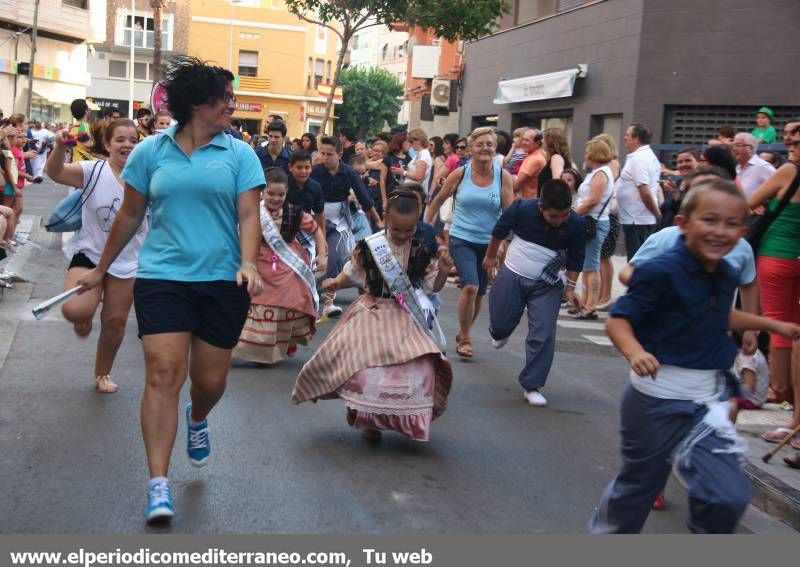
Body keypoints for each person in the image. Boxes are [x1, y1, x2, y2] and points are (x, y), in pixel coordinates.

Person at [75, 57, 266, 524]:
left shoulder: (239, 154)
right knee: (163, 371)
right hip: (163, 276)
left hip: (224, 280)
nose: (232, 106)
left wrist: (247, 262)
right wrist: (101, 269)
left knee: (210, 382)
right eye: (225, 98)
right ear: (199, 102)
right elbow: (129, 215)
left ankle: (197, 417)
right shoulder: (151, 152)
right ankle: (158, 483)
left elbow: (248, 215)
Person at [589, 178, 800, 534]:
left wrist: (770, 325)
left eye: (731, 224)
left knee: (728, 495)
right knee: (637, 490)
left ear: (742, 231)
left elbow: (718, 316)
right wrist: (635, 351)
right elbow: (620, 320)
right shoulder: (659, 271)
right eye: (710, 220)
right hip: (655, 401)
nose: (720, 232)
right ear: (684, 224)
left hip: (709, 400)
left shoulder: (727, 271)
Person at [292, 190, 453, 442]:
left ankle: (406, 421)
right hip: (373, 310)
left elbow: (433, 286)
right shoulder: (370, 247)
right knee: (366, 369)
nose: (401, 235)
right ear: (386, 218)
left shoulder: (421, 250)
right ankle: (366, 419)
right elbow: (353, 272)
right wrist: (336, 281)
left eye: (408, 231)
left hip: (406, 315)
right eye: (396, 229)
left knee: (417, 368)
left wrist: (443, 272)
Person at [45, 118, 146, 394]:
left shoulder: (149, 175)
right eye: (120, 140)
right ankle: (85, 315)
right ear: (106, 144)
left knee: (114, 324)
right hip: (90, 254)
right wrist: (59, 147)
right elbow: (54, 172)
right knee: (74, 309)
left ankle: (103, 373)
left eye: (133, 140)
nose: (127, 145)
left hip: (127, 261)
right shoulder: (92, 170)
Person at [484, 179, 585, 407]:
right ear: (541, 208)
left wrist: (570, 288)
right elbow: (499, 230)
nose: (559, 221)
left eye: (564, 215)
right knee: (500, 325)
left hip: (547, 284)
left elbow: (577, 258)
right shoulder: (522, 209)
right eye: (553, 217)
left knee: (544, 332)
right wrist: (491, 256)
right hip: (513, 273)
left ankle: (532, 385)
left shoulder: (577, 223)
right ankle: (500, 332)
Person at [425, 127, 514, 358]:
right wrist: (425, 230)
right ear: (471, 149)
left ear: (495, 149)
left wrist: (503, 244)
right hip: (461, 238)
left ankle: (464, 331)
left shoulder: (503, 176)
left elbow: (509, 213)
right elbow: (436, 202)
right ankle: (465, 337)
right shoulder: (460, 174)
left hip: (489, 243)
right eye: (480, 144)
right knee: (471, 286)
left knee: (480, 293)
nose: (485, 148)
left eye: (490, 144)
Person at [233, 168, 324, 364]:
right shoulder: (253, 210)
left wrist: (323, 254)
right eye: (271, 194)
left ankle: (285, 340)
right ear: (262, 192)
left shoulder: (293, 212)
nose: (276, 198)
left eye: (281, 194)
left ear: (287, 192)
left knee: (292, 299)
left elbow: (316, 230)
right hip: (257, 261)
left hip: (286, 263)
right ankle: (252, 349)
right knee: (253, 302)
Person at [747, 125, 800, 441]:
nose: (790, 144)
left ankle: (781, 391)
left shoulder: (787, 172)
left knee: (780, 328)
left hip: (776, 256)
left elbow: (751, 201)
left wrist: (760, 207)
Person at [312, 136, 380, 317]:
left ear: (340, 155)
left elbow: (365, 198)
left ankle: (328, 303)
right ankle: (308, 294)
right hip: (314, 218)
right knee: (310, 257)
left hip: (339, 220)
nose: (325, 157)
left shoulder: (349, 172)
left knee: (336, 256)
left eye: (329, 154)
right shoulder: (315, 171)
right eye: (322, 153)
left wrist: (378, 219)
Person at [573, 138, 615, 319]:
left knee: (591, 265)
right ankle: (585, 303)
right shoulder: (599, 172)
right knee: (588, 265)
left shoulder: (601, 174)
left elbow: (592, 200)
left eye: (588, 151)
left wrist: (572, 213)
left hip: (594, 221)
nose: (585, 155)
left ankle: (590, 306)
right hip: (592, 220)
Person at [615, 122, 661, 260]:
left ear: (636, 139)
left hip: (637, 220)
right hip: (637, 219)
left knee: (636, 261)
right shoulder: (643, 156)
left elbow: (645, 190)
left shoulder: (639, 158)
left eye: (627, 135)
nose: (624, 138)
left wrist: (656, 213)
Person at [592, 133, 622, 311]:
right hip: (607, 213)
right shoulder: (608, 165)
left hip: (607, 214)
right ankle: (601, 295)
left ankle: (605, 295)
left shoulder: (611, 164)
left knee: (603, 257)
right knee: (601, 257)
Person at [286, 149, 326, 262]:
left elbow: (319, 214)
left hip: (307, 230)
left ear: (311, 168)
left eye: (307, 167)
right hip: (285, 229)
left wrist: (322, 239)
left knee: (307, 264)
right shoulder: (284, 185)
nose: (303, 171)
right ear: (290, 167)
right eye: (299, 167)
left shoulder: (315, 187)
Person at [733, 132, 775, 197]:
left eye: (738, 145)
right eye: (734, 145)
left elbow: (779, 190)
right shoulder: (737, 168)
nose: (734, 148)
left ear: (750, 148)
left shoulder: (763, 167)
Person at [513, 129, 546, 199]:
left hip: (528, 203)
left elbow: (516, 186)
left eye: (527, 140)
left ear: (537, 143)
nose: (523, 143)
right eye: (523, 139)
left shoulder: (535, 159)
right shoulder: (533, 156)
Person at [403, 128, 433, 201]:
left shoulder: (424, 154)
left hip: (414, 192)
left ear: (418, 140)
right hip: (411, 190)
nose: (410, 144)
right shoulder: (420, 154)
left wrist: (403, 172)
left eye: (411, 141)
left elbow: (419, 176)